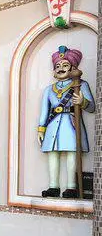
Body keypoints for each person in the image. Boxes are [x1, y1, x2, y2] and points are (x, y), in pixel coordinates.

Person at [37, 46, 96, 198]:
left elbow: (91, 107)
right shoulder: (49, 90)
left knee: (72, 153)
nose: (61, 68)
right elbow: (45, 111)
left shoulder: (80, 85)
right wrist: (41, 128)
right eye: (58, 66)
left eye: (65, 65)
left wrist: (82, 102)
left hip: (71, 124)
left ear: (73, 67)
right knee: (52, 154)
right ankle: (53, 186)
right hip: (53, 124)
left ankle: (71, 186)